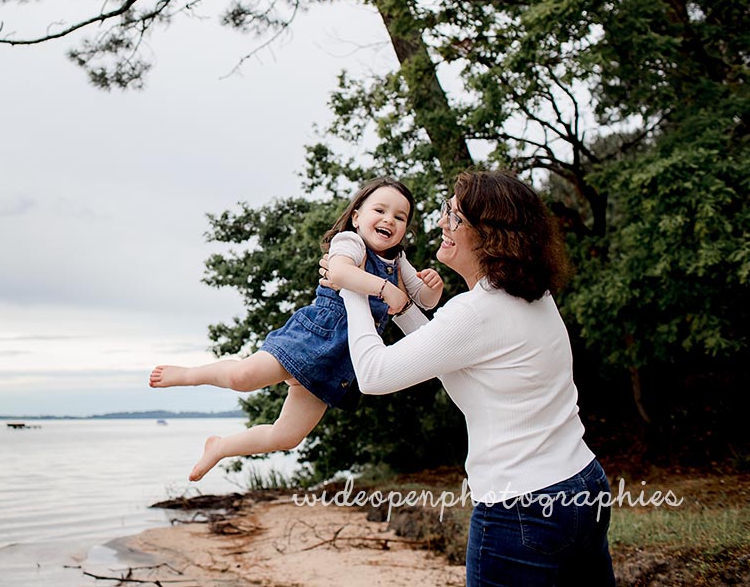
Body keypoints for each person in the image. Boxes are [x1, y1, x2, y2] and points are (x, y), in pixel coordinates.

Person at [321, 170, 615, 586]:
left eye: (455, 218)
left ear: (490, 236)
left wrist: (351, 286)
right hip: (583, 483)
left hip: (523, 507)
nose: (442, 222)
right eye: (446, 210)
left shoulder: (476, 312)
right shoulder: (530, 294)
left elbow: (373, 374)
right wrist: (400, 305)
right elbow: (443, 350)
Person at [149, 176, 444, 481]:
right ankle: (189, 375)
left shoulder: (398, 260)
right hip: (312, 336)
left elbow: (422, 300)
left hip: (339, 361)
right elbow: (340, 272)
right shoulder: (350, 242)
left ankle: (221, 446)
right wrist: (385, 289)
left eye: (400, 217)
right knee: (244, 377)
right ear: (356, 216)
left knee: (287, 436)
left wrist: (433, 287)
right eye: (380, 210)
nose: (389, 220)